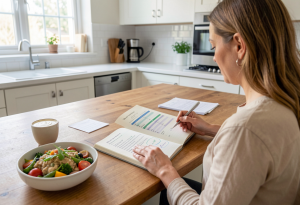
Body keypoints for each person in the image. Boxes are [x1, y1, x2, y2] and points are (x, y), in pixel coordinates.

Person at [132, 0, 300, 204]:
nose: (213, 58)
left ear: (239, 46)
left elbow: (245, 134)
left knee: (167, 189)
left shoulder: (245, 129)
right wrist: (211, 129)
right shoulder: (285, 100)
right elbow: (258, 142)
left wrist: (164, 169)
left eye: (213, 46)